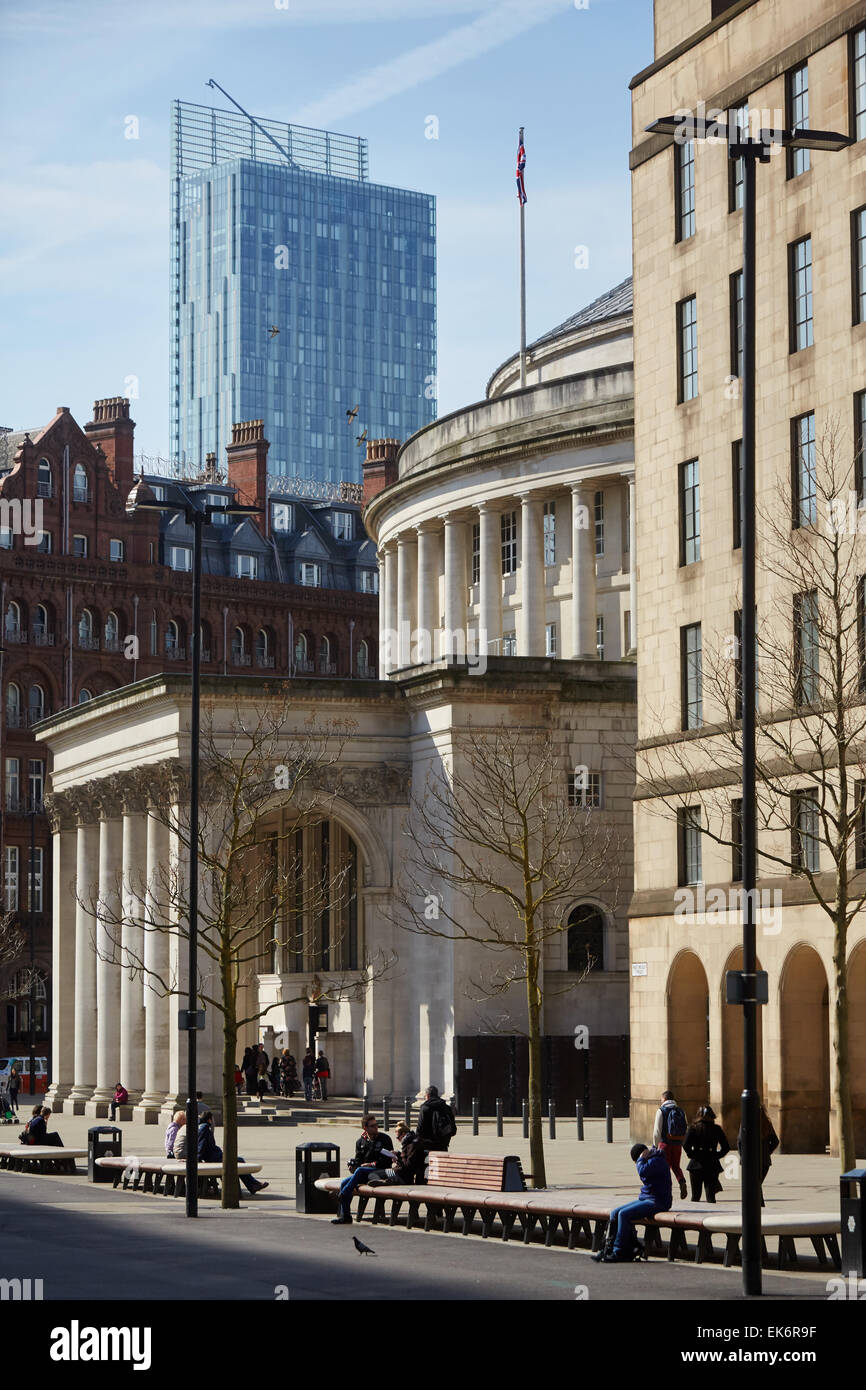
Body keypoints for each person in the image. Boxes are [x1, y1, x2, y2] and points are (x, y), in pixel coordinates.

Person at [592, 1141, 673, 1263]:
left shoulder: (657, 1160)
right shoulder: (650, 1160)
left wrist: (641, 1160)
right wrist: (642, 1160)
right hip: (647, 1198)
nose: (636, 1163)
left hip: (658, 1201)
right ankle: (607, 1248)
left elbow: (642, 1172)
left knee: (623, 1214)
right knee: (615, 1212)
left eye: (636, 1161)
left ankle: (619, 1251)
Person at [332, 1114, 395, 1224]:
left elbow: (388, 1161)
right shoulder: (360, 1142)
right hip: (364, 1173)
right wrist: (353, 1166)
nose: (376, 1127)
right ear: (365, 1128)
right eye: (373, 1126)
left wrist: (370, 1164)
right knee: (344, 1182)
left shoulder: (385, 1139)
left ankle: (343, 1194)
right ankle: (346, 1216)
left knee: (356, 1175)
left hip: (380, 1172)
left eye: (376, 1125)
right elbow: (358, 1161)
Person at [197, 1111, 268, 1195]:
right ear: (209, 1119)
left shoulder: (202, 1127)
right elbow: (202, 1145)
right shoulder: (205, 1128)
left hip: (214, 1155)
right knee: (239, 1161)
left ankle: (253, 1184)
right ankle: (252, 1185)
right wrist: (198, 1158)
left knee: (239, 1161)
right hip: (213, 1157)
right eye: (212, 1119)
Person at [683, 1106, 730, 1203]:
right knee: (710, 1196)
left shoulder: (693, 1128)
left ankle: (694, 1215)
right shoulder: (716, 1129)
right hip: (712, 1163)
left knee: (695, 1196)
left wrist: (692, 1154)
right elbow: (726, 1147)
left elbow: (685, 1145)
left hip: (696, 1164)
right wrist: (717, 1155)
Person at [737, 1102, 779, 1207]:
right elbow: (775, 1141)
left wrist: (743, 1156)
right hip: (764, 1161)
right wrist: (766, 1152)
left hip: (750, 1160)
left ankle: (758, 1207)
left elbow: (740, 1141)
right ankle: (759, 1207)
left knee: (754, 1185)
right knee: (757, 1184)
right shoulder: (766, 1123)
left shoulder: (745, 1122)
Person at [652, 1090, 689, 1200]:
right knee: (676, 1166)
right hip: (677, 1143)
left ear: (664, 1099)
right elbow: (685, 1128)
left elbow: (657, 1131)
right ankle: (681, 1181)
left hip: (664, 1144)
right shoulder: (680, 1110)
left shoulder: (661, 1110)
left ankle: (667, 1192)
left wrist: (655, 1146)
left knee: (664, 1169)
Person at [415, 1085, 457, 1161]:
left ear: (427, 1096)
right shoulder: (446, 1107)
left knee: (426, 1169)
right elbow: (453, 1128)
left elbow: (420, 1128)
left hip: (428, 1146)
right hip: (443, 1144)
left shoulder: (425, 1107)